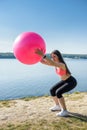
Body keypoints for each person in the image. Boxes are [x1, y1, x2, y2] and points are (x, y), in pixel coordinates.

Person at [35, 49, 77, 117]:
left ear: (58, 56)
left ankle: (65, 111)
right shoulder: (55, 64)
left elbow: (51, 63)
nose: (53, 58)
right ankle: (58, 106)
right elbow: (43, 62)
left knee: (58, 92)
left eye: (54, 56)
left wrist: (42, 54)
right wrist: (37, 55)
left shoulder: (61, 64)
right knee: (52, 90)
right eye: (52, 56)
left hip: (71, 82)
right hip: (64, 81)